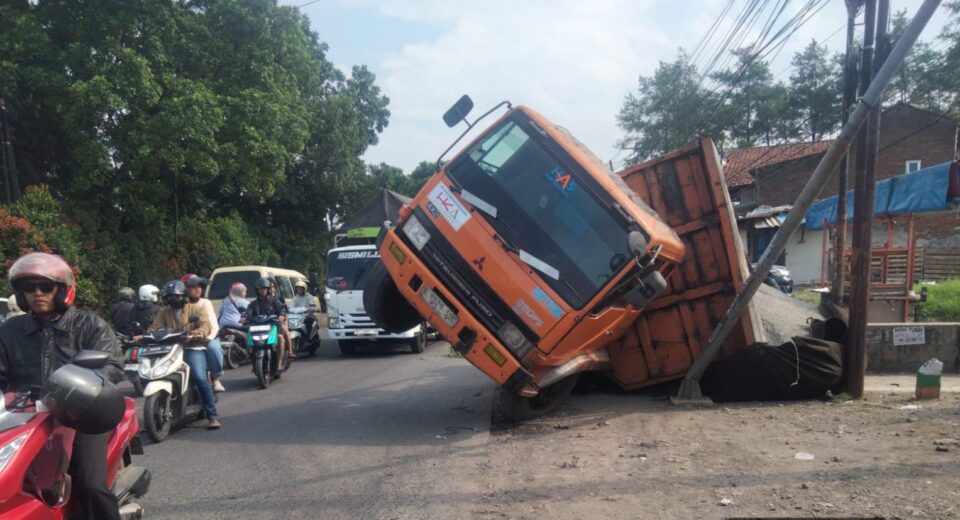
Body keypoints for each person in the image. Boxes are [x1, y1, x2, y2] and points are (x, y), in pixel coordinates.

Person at [0, 252, 124, 520]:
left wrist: (81, 388)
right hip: (23, 415)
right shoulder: (10, 330)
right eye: (28, 288)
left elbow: (112, 364)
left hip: (80, 414)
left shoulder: (88, 324)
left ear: (61, 290)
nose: (37, 293)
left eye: (45, 286)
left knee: (90, 484)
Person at [145, 280, 220, 429]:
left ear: (184, 296)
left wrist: (200, 332)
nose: (173, 299)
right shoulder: (164, 311)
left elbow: (206, 325)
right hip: (171, 349)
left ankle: (212, 416)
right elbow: (155, 327)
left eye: (177, 296)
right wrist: (145, 335)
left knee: (200, 377)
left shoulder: (196, 309)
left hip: (192, 348)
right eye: (170, 297)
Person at [181, 274, 225, 393]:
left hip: (207, 338)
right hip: (185, 340)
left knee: (214, 349)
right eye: (193, 286)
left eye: (199, 286)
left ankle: (215, 378)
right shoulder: (179, 304)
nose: (197, 289)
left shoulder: (205, 303)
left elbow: (213, 325)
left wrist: (208, 339)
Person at [244, 276, 288, 368]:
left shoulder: (274, 301)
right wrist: (244, 317)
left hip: (272, 326)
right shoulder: (253, 303)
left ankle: (279, 362)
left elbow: (282, 309)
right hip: (257, 328)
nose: (262, 291)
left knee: (280, 338)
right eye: (260, 289)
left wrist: (281, 315)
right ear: (257, 290)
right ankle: (251, 358)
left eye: (264, 288)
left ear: (268, 289)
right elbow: (248, 312)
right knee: (248, 338)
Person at [269, 277, 294, 361]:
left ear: (275, 287)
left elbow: (284, 309)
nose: (271, 289)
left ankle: (290, 352)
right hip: (268, 320)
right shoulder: (263, 298)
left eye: (272, 286)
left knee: (285, 330)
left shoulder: (279, 297)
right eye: (269, 287)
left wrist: (282, 316)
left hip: (280, 318)